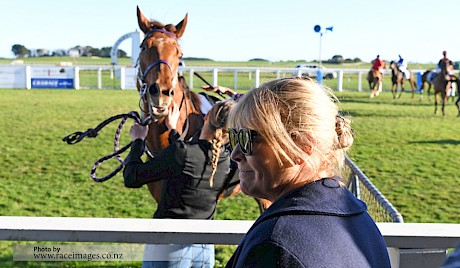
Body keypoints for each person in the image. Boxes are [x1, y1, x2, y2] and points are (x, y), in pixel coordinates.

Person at [225, 77, 391, 267]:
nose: (235, 154)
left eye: (248, 139)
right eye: (234, 137)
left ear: (303, 145)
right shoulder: (359, 220)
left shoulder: (274, 245)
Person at [123, 100, 236, 268]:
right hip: (204, 249)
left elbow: (132, 177)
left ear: (206, 117)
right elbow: (191, 160)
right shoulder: (228, 161)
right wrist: (173, 129)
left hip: (168, 245)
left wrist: (138, 141)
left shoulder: (182, 153)